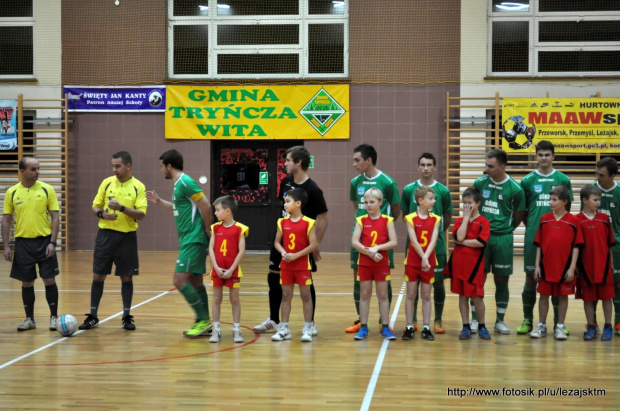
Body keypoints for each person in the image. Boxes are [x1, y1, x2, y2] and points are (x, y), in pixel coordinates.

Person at [253, 146, 328, 336]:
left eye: (287, 160)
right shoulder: (285, 182)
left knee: (305, 285)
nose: (284, 164)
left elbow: (324, 219)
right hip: (282, 241)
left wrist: (315, 244)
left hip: (302, 246)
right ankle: (274, 320)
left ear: (298, 162)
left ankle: (309, 323)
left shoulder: (313, 189)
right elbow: (284, 212)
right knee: (273, 278)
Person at [147, 149, 212, 338]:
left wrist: (207, 230)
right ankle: (204, 322)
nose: (161, 170)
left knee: (179, 280)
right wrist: (159, 202)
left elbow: (206, 205)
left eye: (161, 166)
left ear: (169, 166)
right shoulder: (178, 185)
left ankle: (202, 319)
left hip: (194, 238)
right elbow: (178, 208)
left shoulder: (185, 182)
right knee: (195, 280)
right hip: (188, 240)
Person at [78, 151, 147, 331]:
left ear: (128, 166)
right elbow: (95, 206)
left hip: (127, 237)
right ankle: (93, 316)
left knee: (126, 276)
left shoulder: (138, 186)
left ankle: (126, 316)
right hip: (105, 235)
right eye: (113, 166)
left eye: (117, 166)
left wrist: (122, 208)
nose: (114, 169)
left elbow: (141, 214)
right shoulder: (106, 183)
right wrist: (102, 214)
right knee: (98, 275)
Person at [518, 141, 573, 335]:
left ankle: (559, 323)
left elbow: (568, 209)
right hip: (534, 236)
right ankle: (528, 320)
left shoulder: (563, 179)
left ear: (553, 156)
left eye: (547, 154)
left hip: (558, 240)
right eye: (540, 154)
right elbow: (523, 211)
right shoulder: (527, 181)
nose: (543, 158)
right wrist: (536, 227)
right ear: (536, 156)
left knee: (557, 278)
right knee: (531, 278)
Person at [2, 157, 60, 331]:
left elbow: (56, 217)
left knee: (49, 280)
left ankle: (54, 318)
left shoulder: (47, 189)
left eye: (38, 168)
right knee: (26, 283)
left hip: (44, 242)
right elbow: (6, 221)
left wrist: (52, 242)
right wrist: (6, 246)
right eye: (33, 169)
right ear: (23, 171)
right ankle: (29, 319)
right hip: (23, 244)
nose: (37, 172)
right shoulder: (12, 192)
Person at [347, 144, 400, 333]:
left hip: (381, 242)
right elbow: (356, 205)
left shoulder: (387, 182)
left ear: (368, 161)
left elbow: (396, 210)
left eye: (357, 160)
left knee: (383, 281)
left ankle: (383, 322)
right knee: (358, 279)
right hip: (361, 239)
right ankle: (361, 321)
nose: (354, 164)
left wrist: (382, 228)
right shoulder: (355, 182)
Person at [473, 148, 525, 334]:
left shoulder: (515, 189)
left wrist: (507, 229)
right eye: (486, 165)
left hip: (503, 239)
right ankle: (474, 319)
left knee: (502, 280)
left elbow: (519, 214)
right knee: (477, 279)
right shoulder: (480, 183)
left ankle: (500, 321)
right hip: (480, 239)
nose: (486, 169)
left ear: (502, 167)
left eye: (490, 166)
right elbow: (471, 207)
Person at [401, 152, 453, 334]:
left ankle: (437, 319)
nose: (425, 168)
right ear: (418, 167)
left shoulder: (443, 191)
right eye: (422, 164)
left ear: (435, 168)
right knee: (413, 284)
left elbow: (447, 216)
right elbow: (404, 215)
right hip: (414, 247)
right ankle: (413, 319)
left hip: (435, 246)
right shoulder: (409, 190)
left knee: (437, 283)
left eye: (429, 165)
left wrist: (434, 233)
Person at [530, 186, 583, 340]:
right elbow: (539, 244)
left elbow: (576, 246)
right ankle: (541, 325)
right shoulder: (544, 219)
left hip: (565, 267)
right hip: (546, 266)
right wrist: (537, 266)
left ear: (565, 201)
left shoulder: (574, 221)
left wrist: (572, 268)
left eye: (554, 200)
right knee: (544, 296)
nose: (550, 202)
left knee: (563, 296)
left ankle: (560, 325)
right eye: (550, 199)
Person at [271, 188, 317, 343]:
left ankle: (307, 327)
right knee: (286, 296)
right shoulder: (282, 222)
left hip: (302, 265)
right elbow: (277, 242)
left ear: (298, 203)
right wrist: (283, 252)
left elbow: (313, 245)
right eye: (285, 202)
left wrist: (296, 255)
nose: (285, 205)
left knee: (306, 296)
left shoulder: (309, 222)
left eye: (288, 201)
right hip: (286, 265)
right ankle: (284, 328)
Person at [445, 187, 491, 340]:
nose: (467, 207)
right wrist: (465, 218)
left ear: (478, 203)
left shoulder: (484, 222)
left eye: (469, 203)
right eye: (464, 203)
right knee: (462, 296)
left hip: (475, 267)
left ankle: (482, 326)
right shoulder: (459, 221)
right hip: (459, 265)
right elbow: (458, 236)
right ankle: (465, 326)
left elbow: (480, 242)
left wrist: (462, 242)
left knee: (478, 297)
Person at [576, 184, 615, 341]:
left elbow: (610, 244)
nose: (598, 203)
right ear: (585, 200)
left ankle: (608, 326)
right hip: (585, 267)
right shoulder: (577, 220)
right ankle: (591, 326)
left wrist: (611, 264)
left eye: (599, 200)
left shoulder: (605, 219)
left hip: (604, 266)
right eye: (595, 200)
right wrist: (576, 267)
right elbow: (576, 247)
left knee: (607, 297)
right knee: (588, 298)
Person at [208, 195, 249, 344]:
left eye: (217, 210)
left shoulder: (240, 228)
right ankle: (216, 329)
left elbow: (241, 251)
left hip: (233, 271)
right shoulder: (215, 228)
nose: (215, 213)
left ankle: (236, 329)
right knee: (217, 299)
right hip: (217, 270)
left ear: (228, 211)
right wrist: (216, 267)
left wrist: (231, 269)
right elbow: (211, 249)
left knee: (234, 300)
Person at [402, 187, 440, 341]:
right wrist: (423, 257)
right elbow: (414, 241)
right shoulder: (410, 218)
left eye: (434, 198)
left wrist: (425, 257)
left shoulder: (436, 219)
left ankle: (426, 327)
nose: (433, 201)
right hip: (412, 261)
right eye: (431, 198)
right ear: (420, 201)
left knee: (426, 295)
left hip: (428, 261)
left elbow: (433, 240)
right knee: (411, 294)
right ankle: (409, 326)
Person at [593, 157, 620, 335]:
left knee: (617, 284)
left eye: (601, 175)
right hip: (594, 245)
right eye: (596, 173)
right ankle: (592, 323)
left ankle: (617, 321)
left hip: (616, 246)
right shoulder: (591, 191)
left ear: (612, 175)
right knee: (592, 284)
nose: (598, 177)